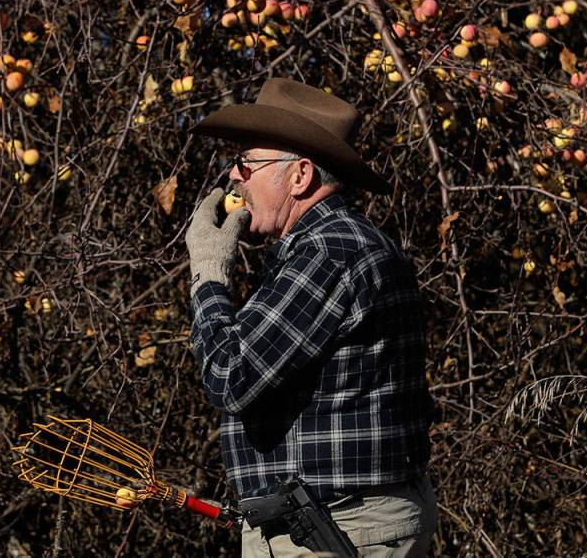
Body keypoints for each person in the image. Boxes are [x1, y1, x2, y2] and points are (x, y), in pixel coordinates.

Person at [185, 78, 437, 556]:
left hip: (337, 527)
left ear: (299, 176)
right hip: (339, 522)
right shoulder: (337, 244)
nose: (234, 178)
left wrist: (209, 274)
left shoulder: (327, 252)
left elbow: (230, 376)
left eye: (247, 164)